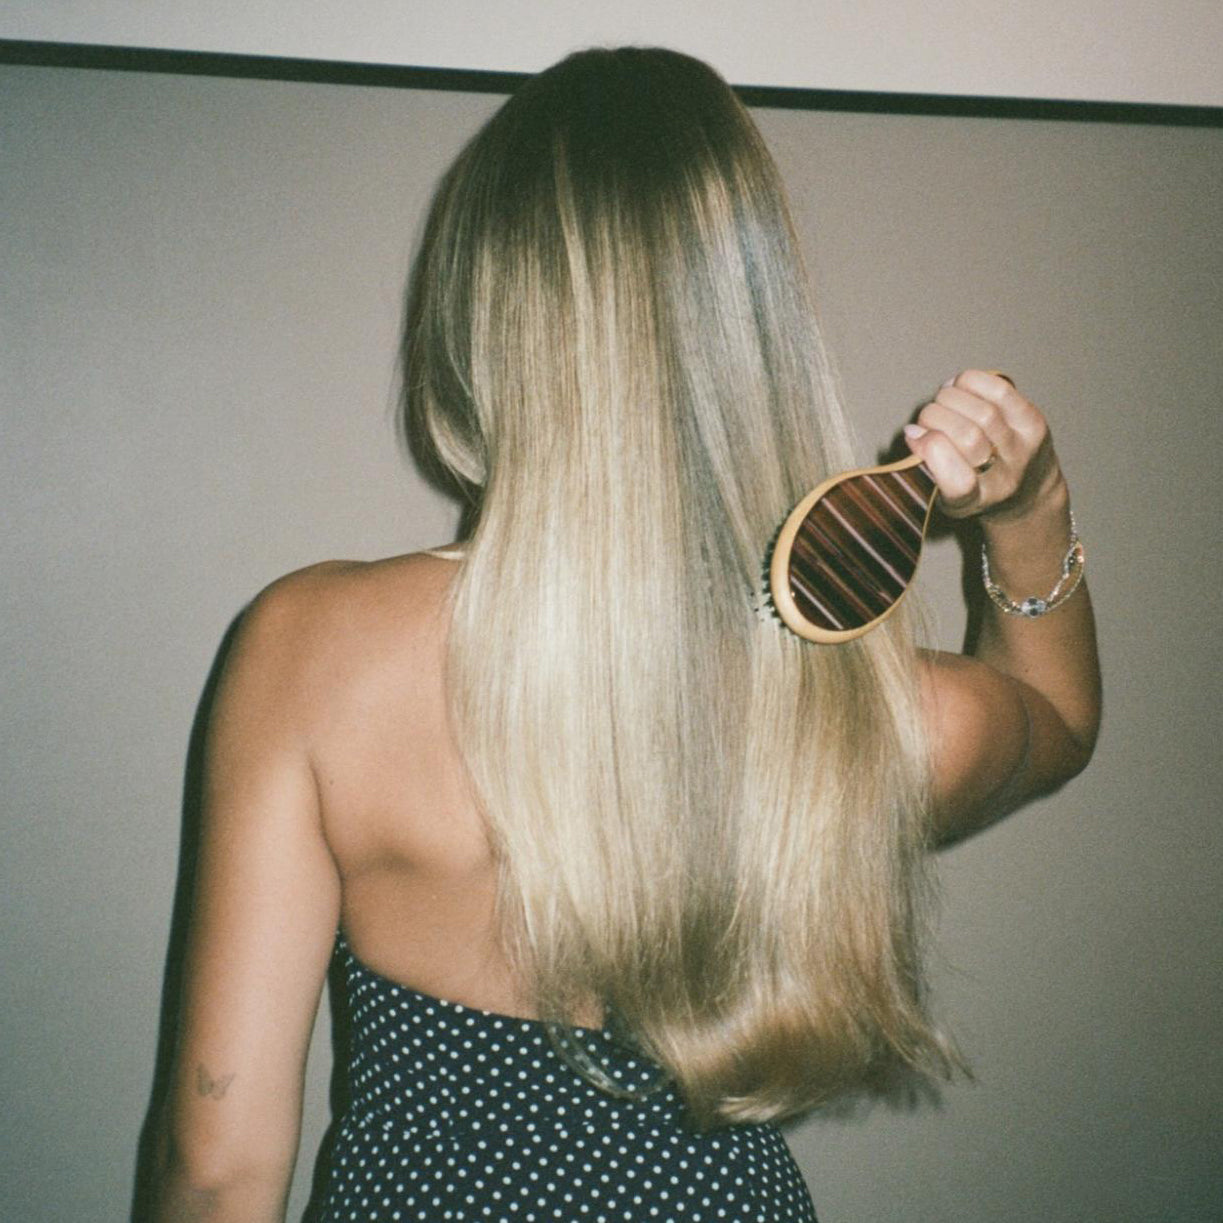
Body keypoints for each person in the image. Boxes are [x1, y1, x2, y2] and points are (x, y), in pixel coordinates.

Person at [145, 45, 1101, 1223]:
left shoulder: (310, 649)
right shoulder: (848, 713)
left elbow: (215, 1160)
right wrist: (1028, 505)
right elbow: (1055, 720)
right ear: (753, 329)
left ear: (483, 312)